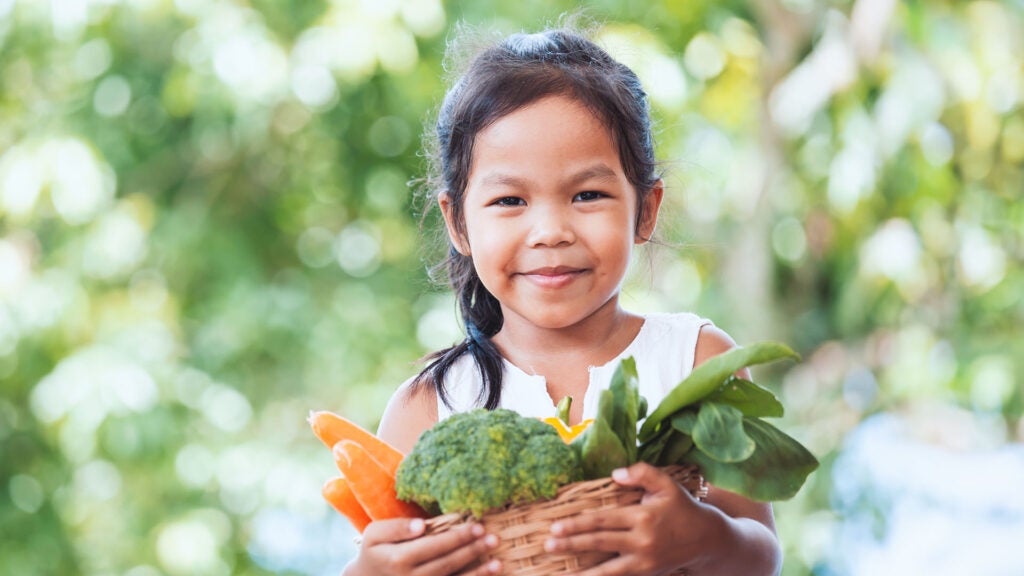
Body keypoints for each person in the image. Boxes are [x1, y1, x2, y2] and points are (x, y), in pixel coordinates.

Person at [342, 23, 782, 576]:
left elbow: (762, 553)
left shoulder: (697, 362)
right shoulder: (428, 407)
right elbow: (389, 549)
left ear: (645, 209)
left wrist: (706, 539)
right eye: (509, 200)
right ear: (458, 222)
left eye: (587, 194)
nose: (550, 231)